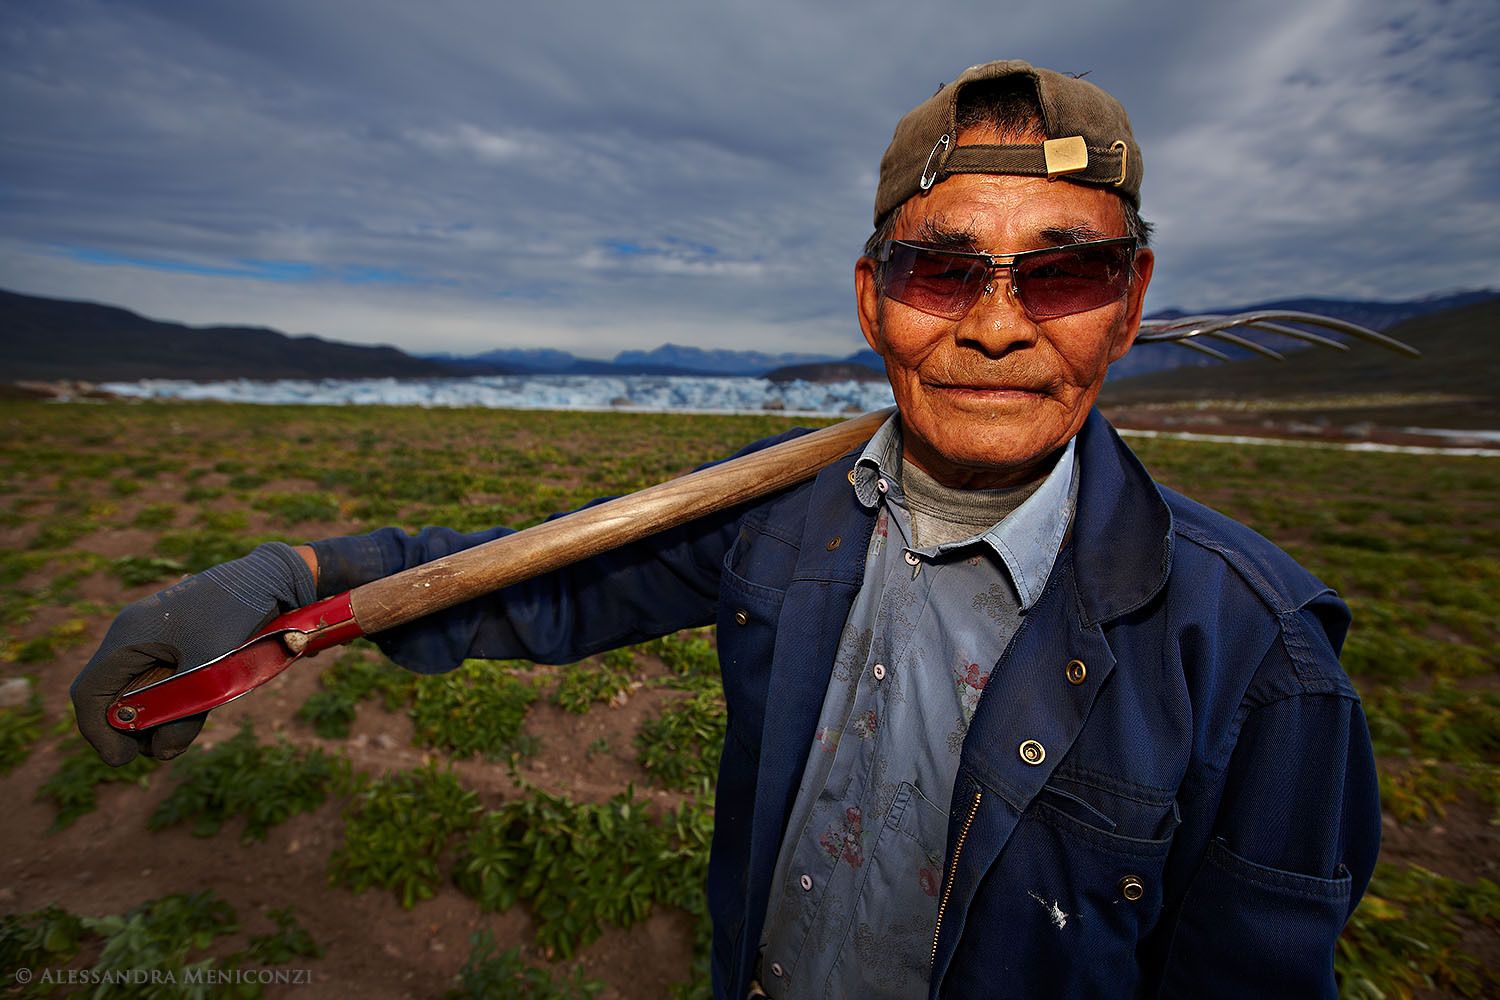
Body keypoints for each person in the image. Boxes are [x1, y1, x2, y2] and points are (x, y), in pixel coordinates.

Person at [73, 60, 1380, 998]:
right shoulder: (780, 514)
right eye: (940, 269)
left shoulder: (1264, 663)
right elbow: (554, 585)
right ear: (873, 302)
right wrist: (298, 582)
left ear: (1130, 303)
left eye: (1064, 270)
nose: (994, 325)